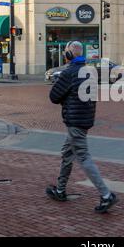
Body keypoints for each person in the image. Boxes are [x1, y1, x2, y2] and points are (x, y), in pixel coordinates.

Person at [46, 41, 118, 214]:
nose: (64, 54)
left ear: (69, 55)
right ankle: (61, 190)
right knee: (67, 153)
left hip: (74, 122)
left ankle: (106, 195)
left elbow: (54, 97)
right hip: (85, 119)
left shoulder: (68, 72)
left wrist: (60, 85)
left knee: (83, 157)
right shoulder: (89, 72)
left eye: (65, 52)